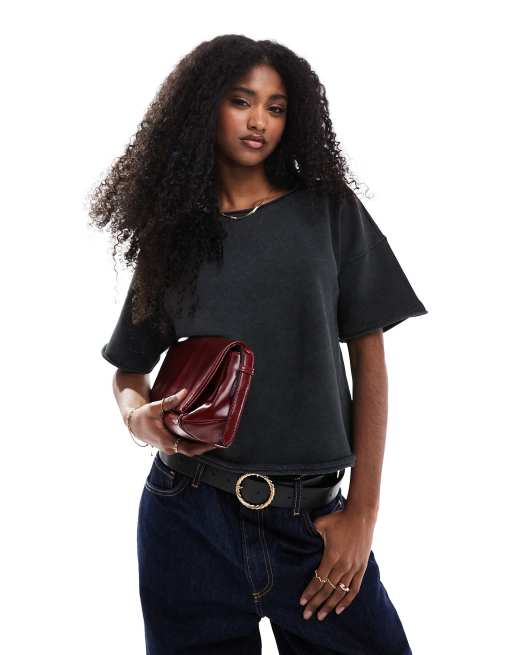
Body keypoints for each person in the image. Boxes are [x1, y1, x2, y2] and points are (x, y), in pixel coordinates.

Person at [90, 34, 428, 655]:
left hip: (312, 523)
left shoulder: (327, 211)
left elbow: (370, 359)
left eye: (276, 107)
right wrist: (140, 420)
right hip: (186, 516)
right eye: (241, 101)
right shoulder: (175, 237)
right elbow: (128, 371)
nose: (259, 121)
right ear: (205, 107)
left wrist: (362, 515)